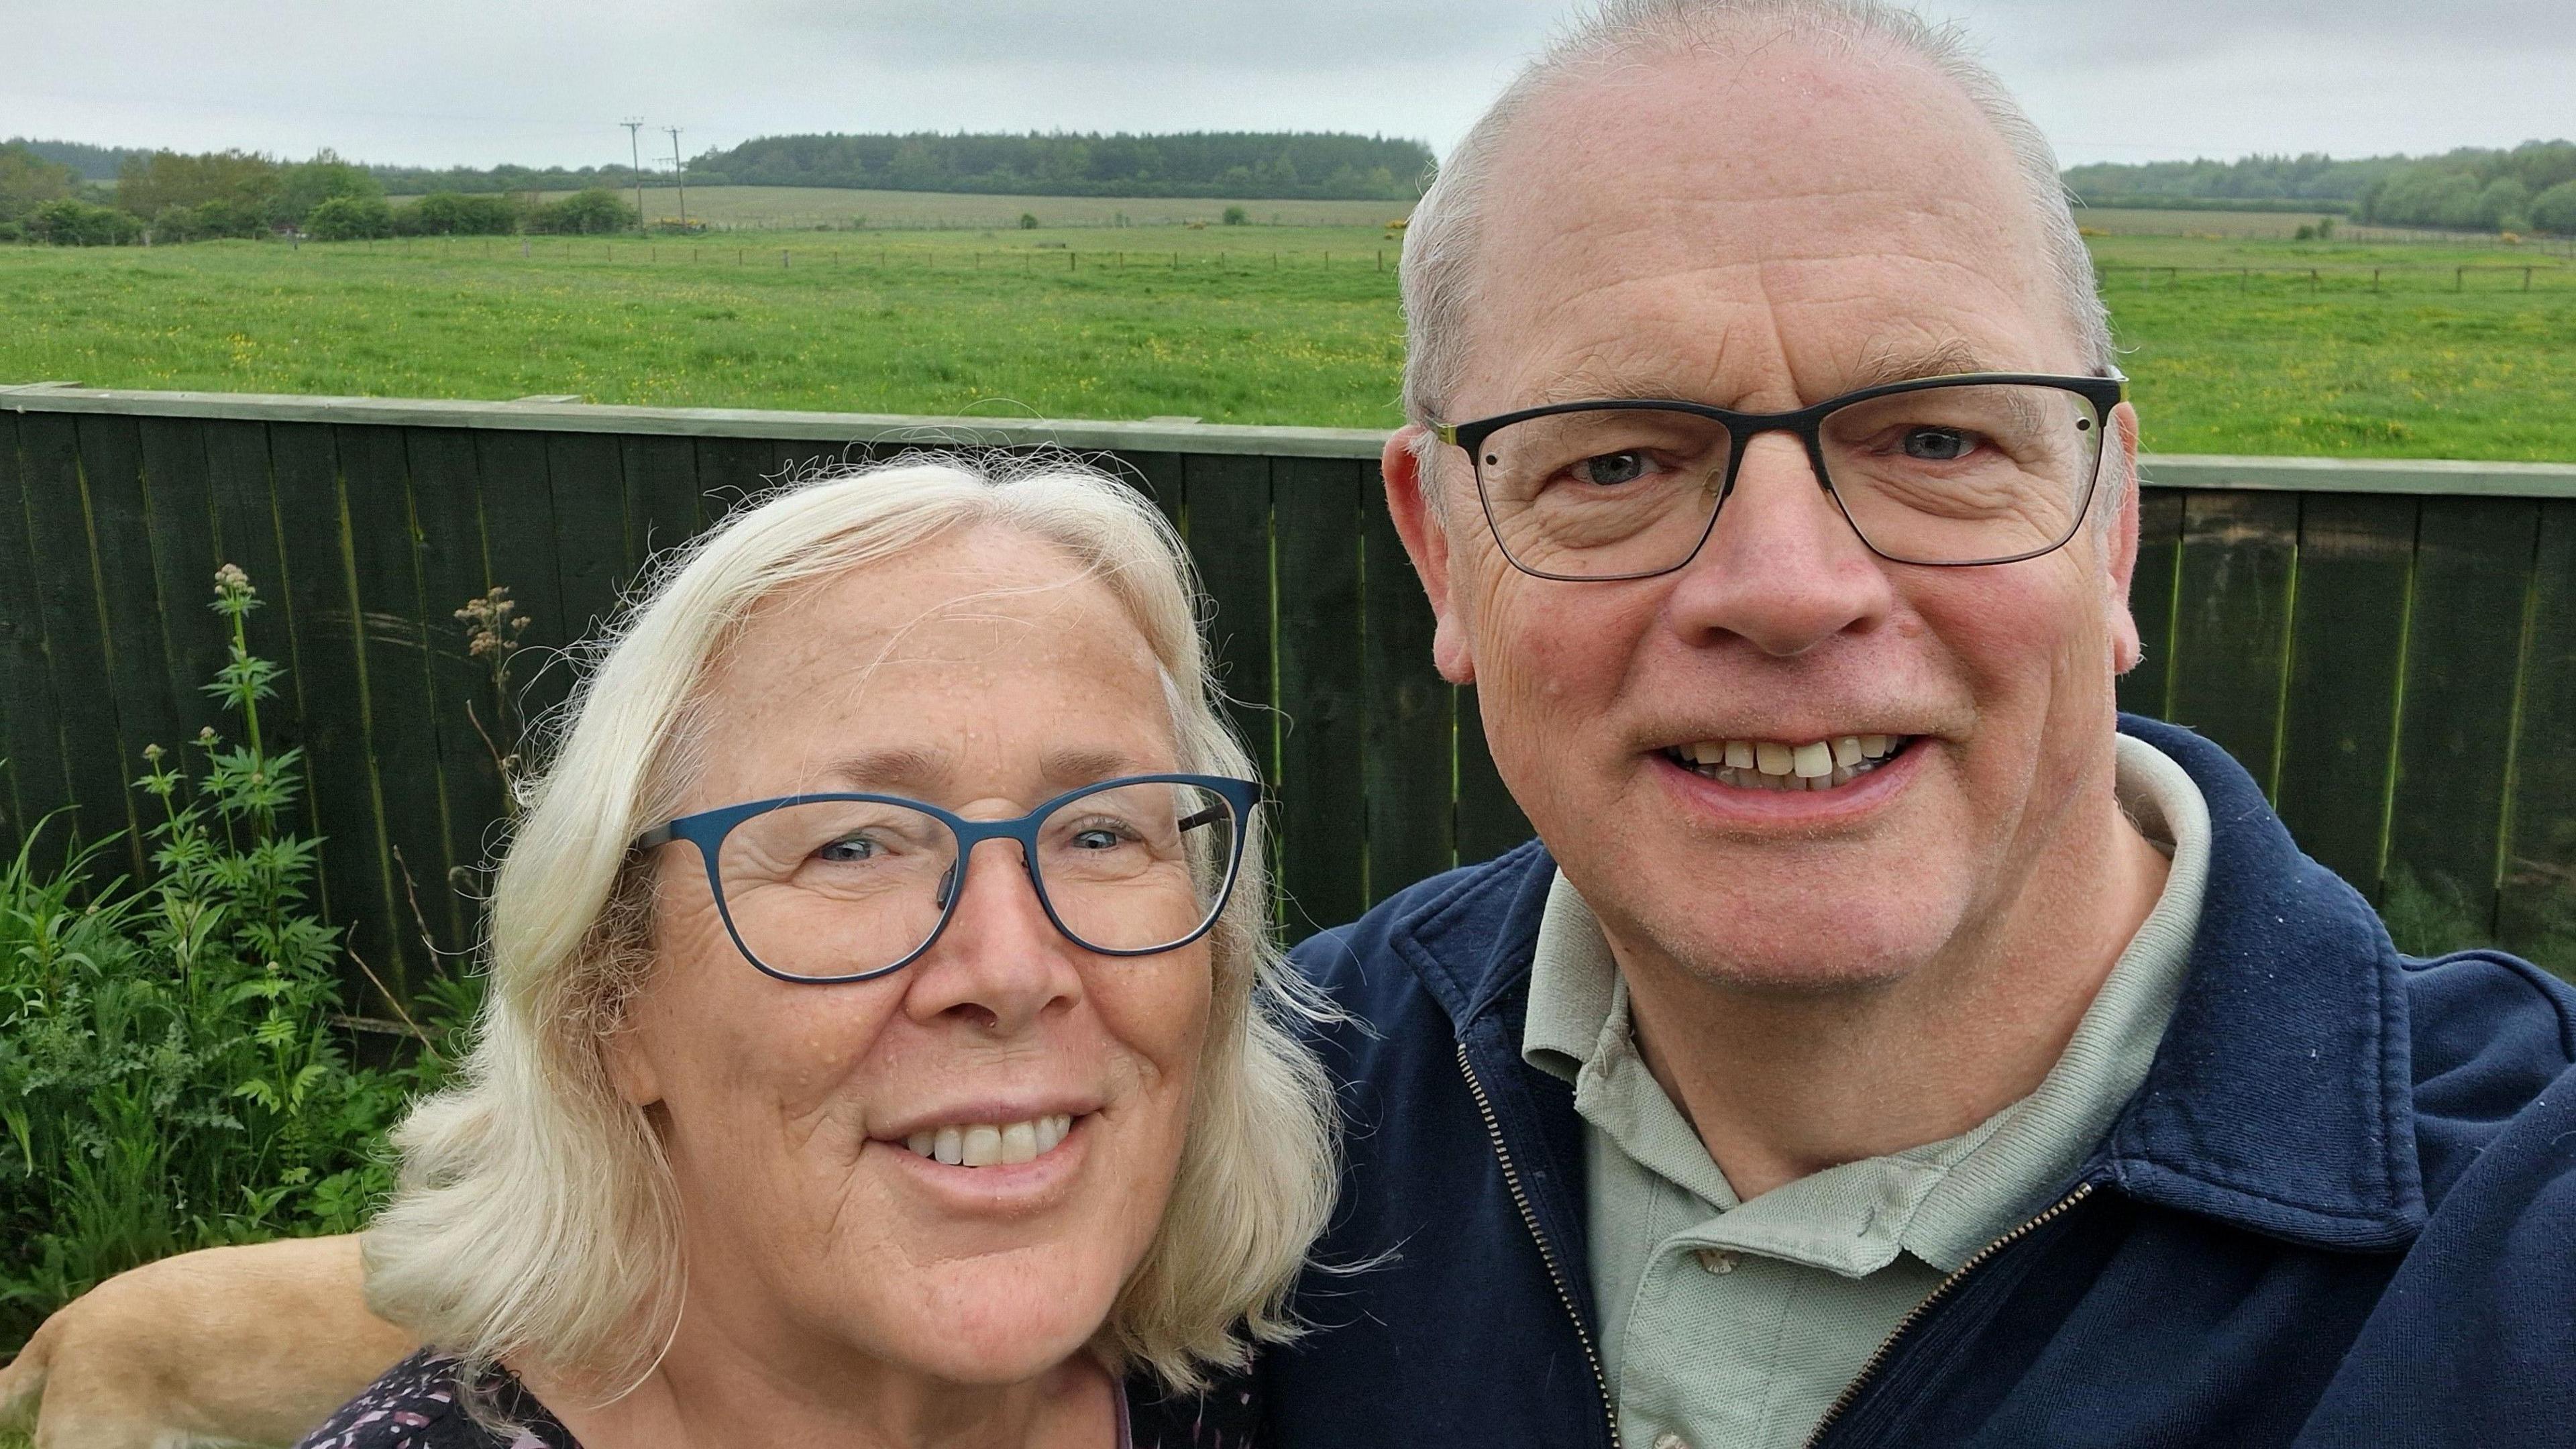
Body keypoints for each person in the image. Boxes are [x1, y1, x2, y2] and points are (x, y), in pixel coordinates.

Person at [1256, 2, 2576, 1446]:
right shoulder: (1271, 1106)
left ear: (2111, 520)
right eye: (1618, 459)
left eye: (1937, 441)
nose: (1787, 589)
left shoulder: (2517, 1246)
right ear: (1444, 550)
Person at [304, 456, 1335, 1449]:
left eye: (1104, 833)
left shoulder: (1314, 1384)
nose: (1015, 972)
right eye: (852, 846)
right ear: (610, 999)